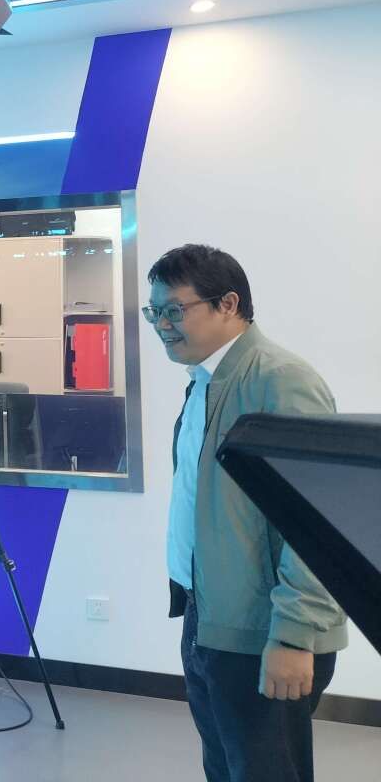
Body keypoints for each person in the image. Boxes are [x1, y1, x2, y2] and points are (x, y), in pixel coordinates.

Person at [145, 244, 346, 782]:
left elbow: (317, 521)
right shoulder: (206, 382)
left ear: (228, 304)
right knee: (226, 768)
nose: (161, 325)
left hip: (263, 630)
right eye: (153, 312)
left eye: (173, 310)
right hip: (209, 615)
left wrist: (294, 635)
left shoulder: (279, 381)